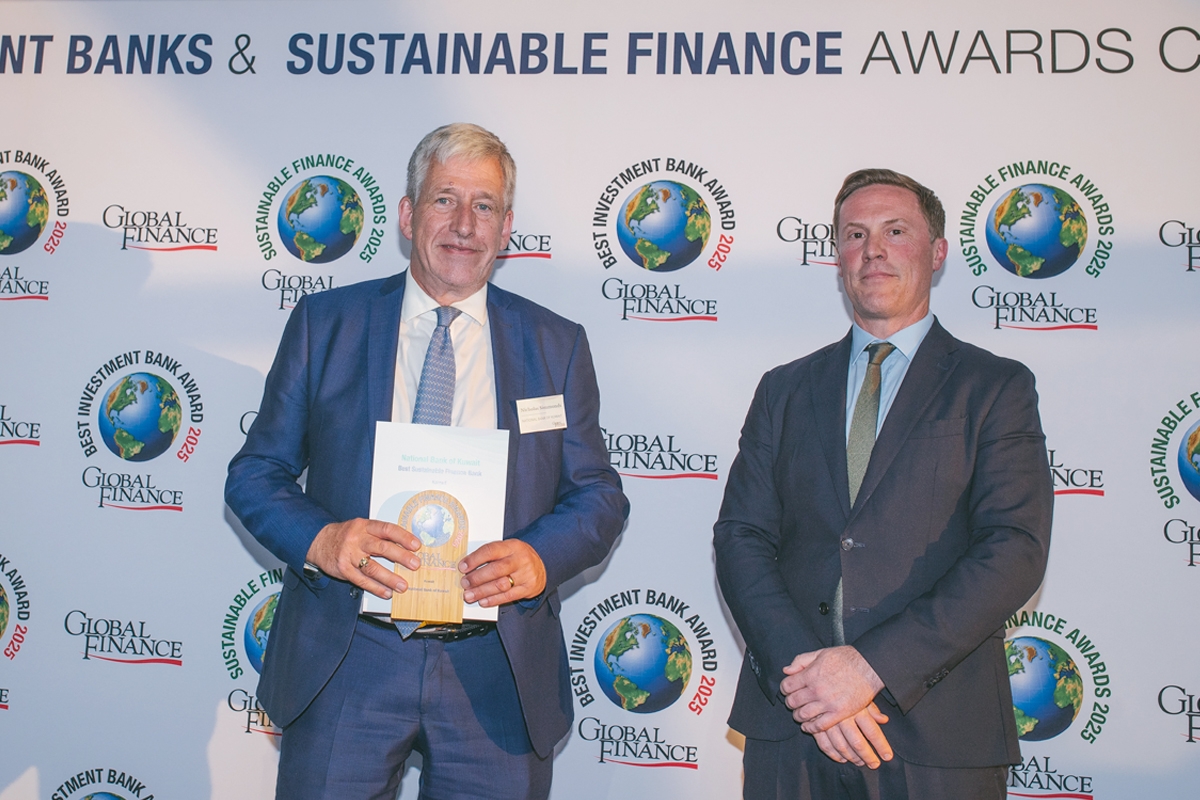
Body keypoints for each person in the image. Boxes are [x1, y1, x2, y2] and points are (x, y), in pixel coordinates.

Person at [226, 123, 629, 800]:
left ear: (507, 229)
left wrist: (539, 557)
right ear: (409, 216)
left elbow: (598, 496)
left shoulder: (555, 344)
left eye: (484, 205)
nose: (464, 224)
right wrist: (323, 540)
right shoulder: (327, 324)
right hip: (349, 656)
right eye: (445, 199)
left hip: (495, 670)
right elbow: (255, 472)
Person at [713, 168, 1052, 799]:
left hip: (936, 737)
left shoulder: (995, 387)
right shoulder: (783, 389)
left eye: (896, 231)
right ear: (838, 258)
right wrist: (811, 683)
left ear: (937, 252)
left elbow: (1014, 549)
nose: (873, 250)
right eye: (855, 234)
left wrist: (870, 668)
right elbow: (740, 537)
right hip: (793, 725)